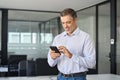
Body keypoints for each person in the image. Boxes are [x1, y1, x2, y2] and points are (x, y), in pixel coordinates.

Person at [47, 8, 96, 80]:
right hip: (60, 77)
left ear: (75, 20)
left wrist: (71, 56)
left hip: (78, 78)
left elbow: (91, 63)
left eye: (68, 22)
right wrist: (53, 58)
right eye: (63, 23)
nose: (65, 26)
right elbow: (51, 63)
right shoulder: (58, 38)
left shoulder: (85, 37)